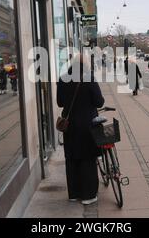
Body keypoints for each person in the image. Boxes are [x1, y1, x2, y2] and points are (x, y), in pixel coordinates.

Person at [57, 54, 105, 205]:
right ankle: (88, 195)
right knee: (87, 158)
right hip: (86, 125)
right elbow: (99, 101)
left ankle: (74, 193)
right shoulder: (88, 78)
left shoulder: (63, 78)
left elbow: (60, 103)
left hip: (70, 124)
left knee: (71, 158)